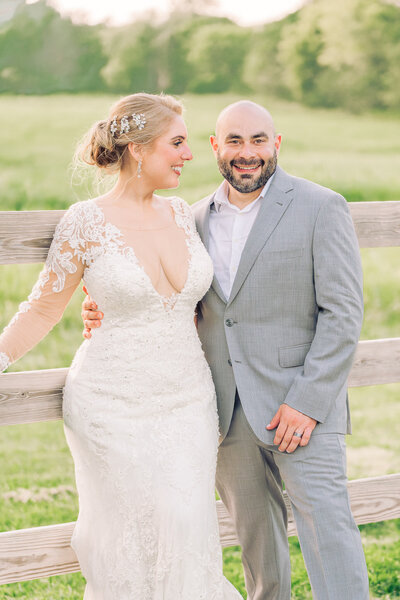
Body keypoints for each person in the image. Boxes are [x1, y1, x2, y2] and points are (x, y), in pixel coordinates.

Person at [83, 100, 370, 600]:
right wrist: (103, 308)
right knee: (257, 544)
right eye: (234, 141)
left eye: (258, 140)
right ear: (215, 147)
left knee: (329, 531)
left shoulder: (320, 206)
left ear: (276, 144)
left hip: (301, 409)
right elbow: (170, 297)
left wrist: (307, 402)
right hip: (224, 412)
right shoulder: (189, 220)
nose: (247, 153)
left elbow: (343, 314)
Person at [0, 93, 243, 600]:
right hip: (110, 403)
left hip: (187, 401)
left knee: (186, 524)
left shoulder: (182, 215)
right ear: (137, 149)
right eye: (177, 143)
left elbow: (206, 305)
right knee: (128, 539)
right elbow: (43, 308)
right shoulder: (85, 222)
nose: (189, 154)